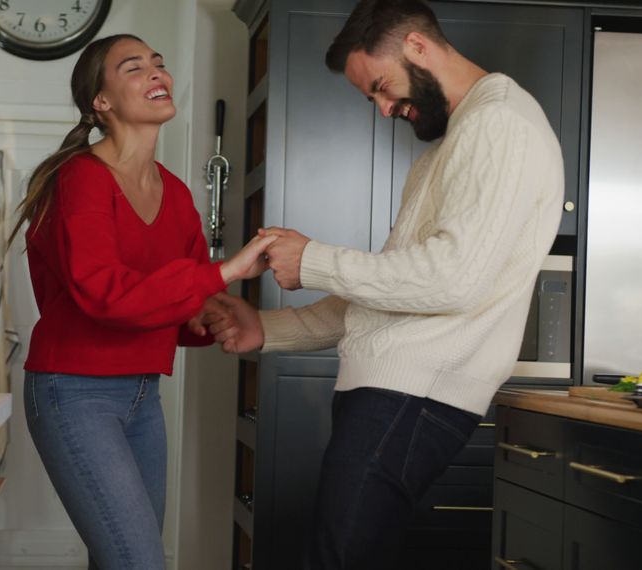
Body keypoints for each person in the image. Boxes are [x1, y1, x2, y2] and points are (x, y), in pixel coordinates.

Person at [204, 0, 564, 568]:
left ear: (417, 46)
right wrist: (266, 330)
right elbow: (394, 292)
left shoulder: (500, 123)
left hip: (414, 396)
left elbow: (453, 280)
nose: (383, 109)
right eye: (370, 97)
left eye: (380, 86)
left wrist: (314, 259)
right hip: (393, 395)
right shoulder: (453, 139)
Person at [9, 34, 275, 570]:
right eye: (134, 68)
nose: (157, 73)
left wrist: (220, 313)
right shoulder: (81, 178)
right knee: (138, 562)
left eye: (159, 63)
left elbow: (180, 308)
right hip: (73, 394)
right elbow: (104, 293)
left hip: (142, 398)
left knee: (123, 559)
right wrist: (225, 271)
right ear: (101, 102)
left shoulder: (175, 194)